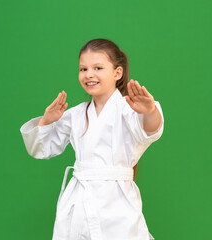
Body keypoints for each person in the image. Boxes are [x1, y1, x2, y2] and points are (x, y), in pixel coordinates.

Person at [19, 38, 164, 240]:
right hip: (78, 199)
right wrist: (46, 121)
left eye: (98, 68)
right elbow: (41, 149)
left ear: (117, 73)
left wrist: (149, 111)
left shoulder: (128, 108)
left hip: (117, 203)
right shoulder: (76, 114)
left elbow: (150, 130)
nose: (89, 75)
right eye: (83, 69)